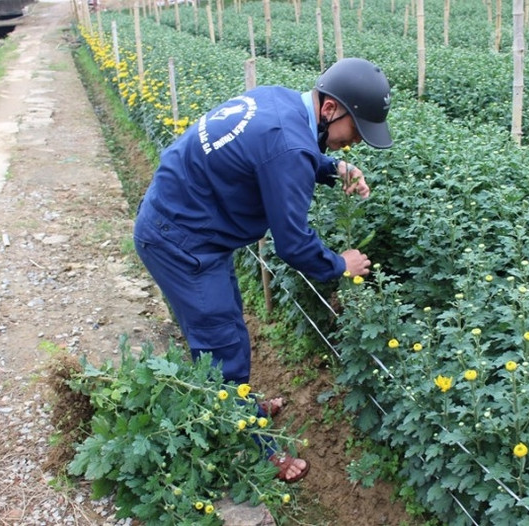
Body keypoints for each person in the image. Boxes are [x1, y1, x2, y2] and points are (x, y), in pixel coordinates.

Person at [133, 57, 393, 483]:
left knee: (227, 326)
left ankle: (238, 405)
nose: (356, 143)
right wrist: (339, 265)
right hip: (178, 240)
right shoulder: (289, 146)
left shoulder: (280, 102)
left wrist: (332, 168)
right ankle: (252, 448)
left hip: (187, 224)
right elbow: (292, 243)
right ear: (330, 111)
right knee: (222, 347)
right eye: (357, 132)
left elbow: (273, 152)